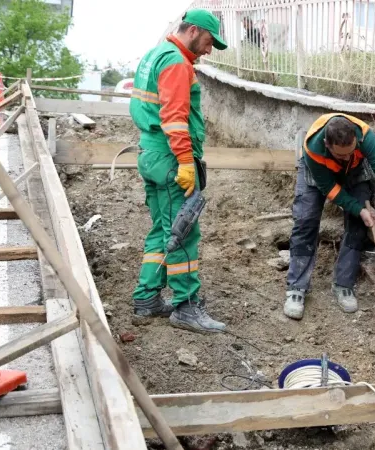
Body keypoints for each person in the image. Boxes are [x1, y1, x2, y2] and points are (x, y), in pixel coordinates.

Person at [128, 9, 228, 334]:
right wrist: (186, 161)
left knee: (163, 229)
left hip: (151, 153)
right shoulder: (176, 63)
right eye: (209, 41)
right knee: (184, 232)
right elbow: (174, 117)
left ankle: (147, 298)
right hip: (172, 159)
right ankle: (186, 306)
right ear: (195, 31)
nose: (209, 50)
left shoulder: (156, 54)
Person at [284, 113, 375, 320]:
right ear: (327, 144)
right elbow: (331, 190)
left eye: (350, 151)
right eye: (341, 155)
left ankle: (343, 284)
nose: (345, 156)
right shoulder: (314, 148)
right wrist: (358, 208)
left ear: (356, 141)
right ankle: (296, 288)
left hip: (355, 170)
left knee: (359, 223)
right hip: (319, 174)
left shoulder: (364, 137)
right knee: (306, 219)